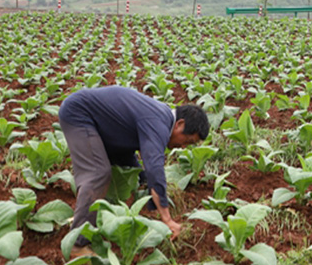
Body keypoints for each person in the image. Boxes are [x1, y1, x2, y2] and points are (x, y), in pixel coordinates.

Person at [58, 87, 210, 253]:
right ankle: (77, 244)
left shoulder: (160, 117)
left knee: (132, 174)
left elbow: (129, 157)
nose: (182, 146)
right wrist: (167, 218)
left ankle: (88, 216)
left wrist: (145, 185)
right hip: (79, 114)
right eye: (187, 141)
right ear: (180, 124)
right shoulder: (159, 122)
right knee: (97, 173)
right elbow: (154, 167)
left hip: (103, 127)